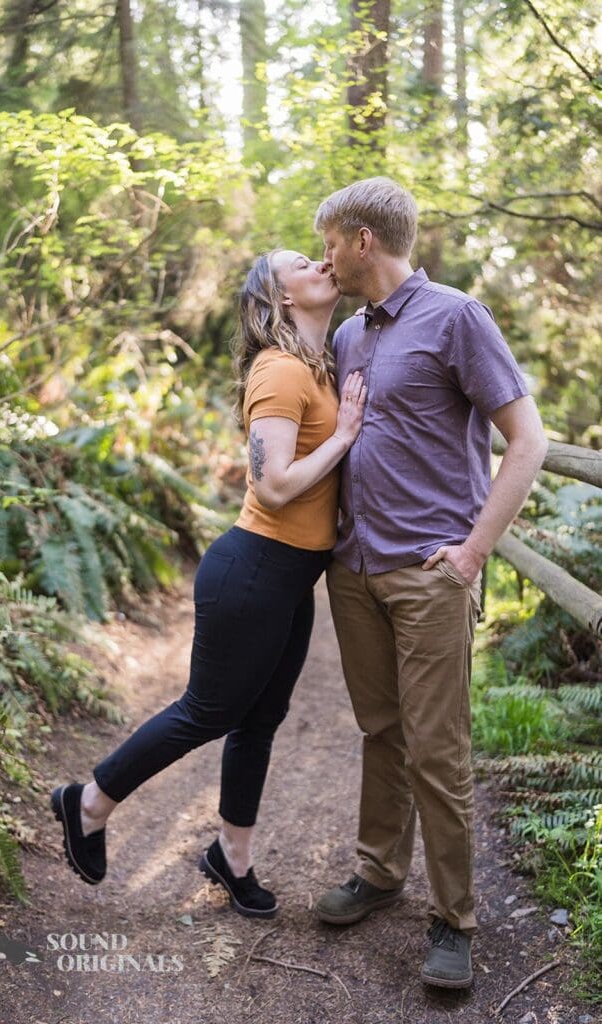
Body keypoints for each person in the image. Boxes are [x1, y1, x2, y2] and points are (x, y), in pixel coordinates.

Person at [51, 248, 366, 918]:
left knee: (260, 719)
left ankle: (232, 857)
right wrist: (343, 437)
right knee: (209, 711)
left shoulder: (322, 364)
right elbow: (274, 486)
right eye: (303, 263)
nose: (321, 264)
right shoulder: (279, 370)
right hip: (252, 568)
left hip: (288, 575)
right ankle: (87, 804)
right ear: (280, 298)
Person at [312, 177, 548, 987]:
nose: (325, 257)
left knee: (437, 751)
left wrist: (474, 552)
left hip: (429, 573)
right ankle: (379, 872)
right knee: (381, 731)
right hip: (356, 570)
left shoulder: (456, 317)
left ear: (363, 240)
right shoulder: (346, 336)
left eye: (330, 242)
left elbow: (527, 440)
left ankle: (454, 919)